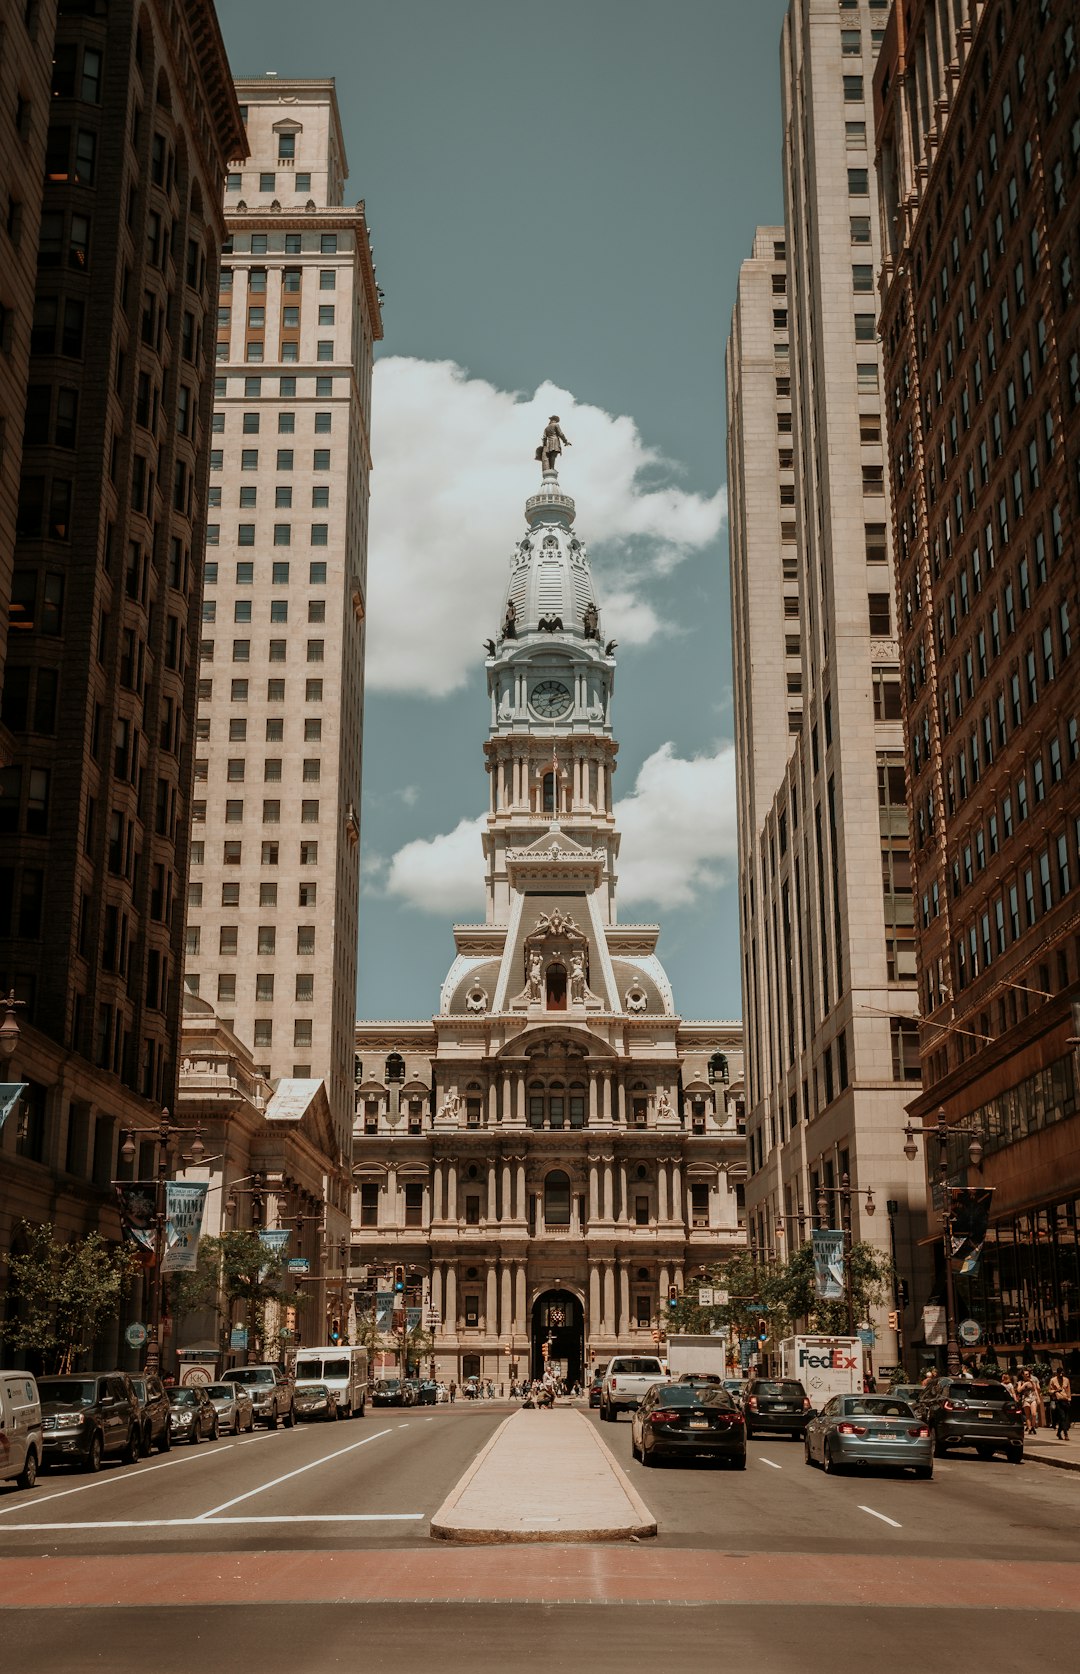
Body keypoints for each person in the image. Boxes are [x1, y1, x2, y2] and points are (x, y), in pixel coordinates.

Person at [1048, 1368, 1072, 1439]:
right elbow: (1049, 1390)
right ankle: (1065, 1434)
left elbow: (1068, 1390)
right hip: (1058, 1401)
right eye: (1059, 1374)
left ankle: (1059, 1433)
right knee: (1062, 1417)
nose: (1061, 1375)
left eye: (1062, 1373)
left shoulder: (1066, 1380)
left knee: (1065, 1418)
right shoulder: (1053, 1380)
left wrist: (1069, 1399)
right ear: (1057, 1373)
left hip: (1065, 1400)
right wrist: (1055, 1391)